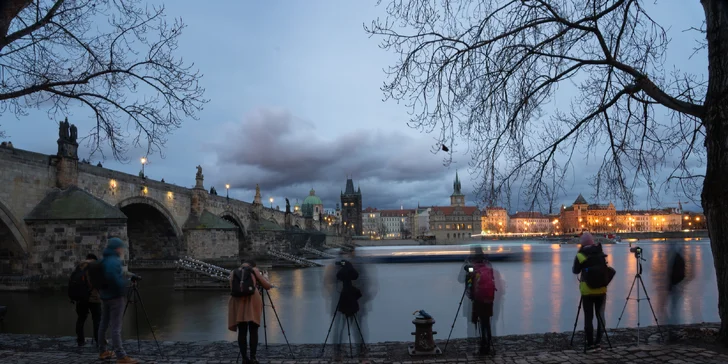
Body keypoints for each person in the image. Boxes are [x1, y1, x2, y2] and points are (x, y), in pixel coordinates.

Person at [97, 237, 137, 364]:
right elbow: (113, 278)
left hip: (105, 296)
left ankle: (103, 350)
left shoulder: (104, 259)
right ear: (117, 248)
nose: (122, 250)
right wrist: (124, 287)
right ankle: (121, 356)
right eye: (121, 248)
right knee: (116, 327)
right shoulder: (114, 261)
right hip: (115, 297)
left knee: (103, 324)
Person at [228, 260, 272, 364]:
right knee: (253, 330)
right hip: (252, 301)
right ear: (253, 266)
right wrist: (265, 276)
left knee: (242, 331)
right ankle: (253, 357)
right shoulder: (254, 271)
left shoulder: (233, 272)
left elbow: (232, 287)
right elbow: (267, 286)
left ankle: (244, 358)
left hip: (238, 302)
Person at [572, 232, 607, 352]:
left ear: (582, 243)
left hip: (587, 290)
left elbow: (575, 271)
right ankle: (598, 343)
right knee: (600, 316)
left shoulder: (580, 255)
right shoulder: (601, 253)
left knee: (589, 317)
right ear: (593, 242)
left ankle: (590, 344)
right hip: (601, 289)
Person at [71, 253, 102, 347]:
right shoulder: (96, 267)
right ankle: (98, 340)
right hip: (94, 298)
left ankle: (80, 340)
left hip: (81, 298)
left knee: (81, 319)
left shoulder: (79, 267)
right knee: (96, 320)